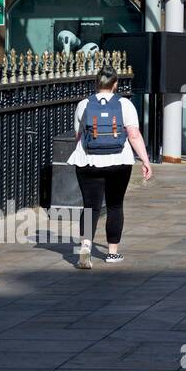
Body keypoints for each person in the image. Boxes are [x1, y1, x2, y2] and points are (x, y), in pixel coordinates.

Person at [67, 67, 153, 269]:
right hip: (119, 161)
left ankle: (85, 247)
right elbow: (133, 134)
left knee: (91, 206)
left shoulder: (83, 104)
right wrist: (145, 161)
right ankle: (112, 253)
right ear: (115, 84)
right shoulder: (125, 104)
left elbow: (78, 136)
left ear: (96, 83)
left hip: (88, 161)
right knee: (115, 205)